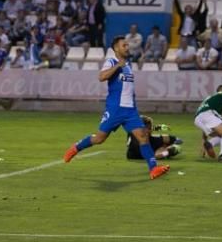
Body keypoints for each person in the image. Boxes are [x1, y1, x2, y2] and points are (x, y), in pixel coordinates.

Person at [63, 36, 170, 180]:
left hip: (130, 110)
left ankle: (153, 169)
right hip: (115, 109)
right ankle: (76, 147)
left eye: (127, 45)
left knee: (143, 136)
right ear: (116, 49)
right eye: (124, 45)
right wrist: (117, 66)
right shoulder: (112, 62)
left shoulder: (128, 64)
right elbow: (101, 77)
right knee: (99, 138)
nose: (127, 47)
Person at [194, 84, 222, 162]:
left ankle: (209, 144)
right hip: (209, 114)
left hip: (197, 119)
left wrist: (204, 142)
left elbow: (206, 121)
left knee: (221, 135)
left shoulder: (210, 99)